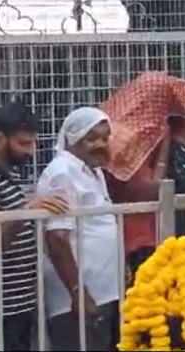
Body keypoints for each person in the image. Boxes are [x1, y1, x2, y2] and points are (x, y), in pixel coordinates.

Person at [0, 102, 68, 352]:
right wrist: (24, 213)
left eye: (32, 143)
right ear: (0, 139)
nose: (31, 152)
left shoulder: (6, 177)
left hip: (16, 301)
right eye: (23, 144)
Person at [102, 72, 185, 275]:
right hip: (142, 239)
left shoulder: (143, 144)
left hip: (151, 237)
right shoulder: (129, 146)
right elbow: (155, 190)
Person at [36, 107, 121, 352]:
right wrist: (78, 292)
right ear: (73, 138)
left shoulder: (93, 171)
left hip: (103, 292)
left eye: (105, 138)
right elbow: (56, 239)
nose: (100, 144)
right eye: (91, 138)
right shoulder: (62, 173)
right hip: (77, 301)